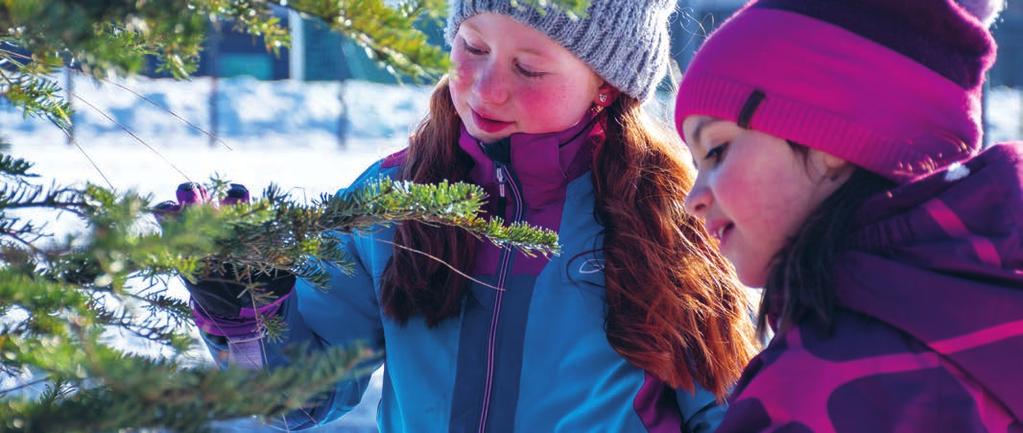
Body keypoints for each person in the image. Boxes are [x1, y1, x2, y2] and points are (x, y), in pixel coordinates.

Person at [161, 1, 759, 431]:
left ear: (607, 85)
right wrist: (243, 309)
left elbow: (733, 407)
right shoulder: (394, 201)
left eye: (529, 68)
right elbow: (295, 398)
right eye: (472, 47)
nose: (486, 88)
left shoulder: (669, 220)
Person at [674, 0, 1023, 431]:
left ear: (829, 142)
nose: (694, 197)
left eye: (716, 150)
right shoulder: (991, 305)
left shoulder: (812, 389)